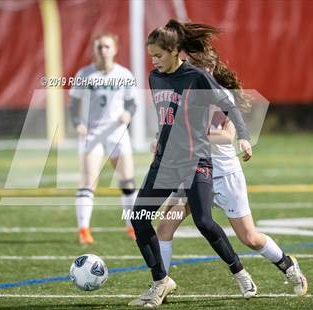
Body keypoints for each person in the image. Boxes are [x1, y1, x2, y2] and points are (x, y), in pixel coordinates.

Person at [157, 47, 308, 296]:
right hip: (193, 173)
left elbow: (227, 135)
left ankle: (288, 265)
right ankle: (160, 284)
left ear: (210, 69)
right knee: (165, 227)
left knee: (249, 237)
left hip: (224, 174)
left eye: (197, 66)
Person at [129, 20, 255, 307]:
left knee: (204, 222)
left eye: (158, 55)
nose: (154, 61)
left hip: (196, 159)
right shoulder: (154, 78)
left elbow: (229, 105)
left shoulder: (196, 77)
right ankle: (161, 281)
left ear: (175, 51)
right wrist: (159, 138)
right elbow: (168, 115)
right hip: (166, 162)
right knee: (139, 217)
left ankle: (239, 271)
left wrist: (244, 137)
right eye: (151, 56)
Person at [69, 33, 138, 245]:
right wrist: (77, 124)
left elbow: (132, 104)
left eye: (107, 47)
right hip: (93, 134)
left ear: (115, 49)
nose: (103, 51)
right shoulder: (84, 74)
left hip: (117, 133)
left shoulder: (124, 74)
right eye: (99, 47)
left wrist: (128, 114)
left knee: (127, 181)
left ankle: (132, 226)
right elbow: (74, 105)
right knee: (88, 182)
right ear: (94, 49)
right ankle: (84, 230)